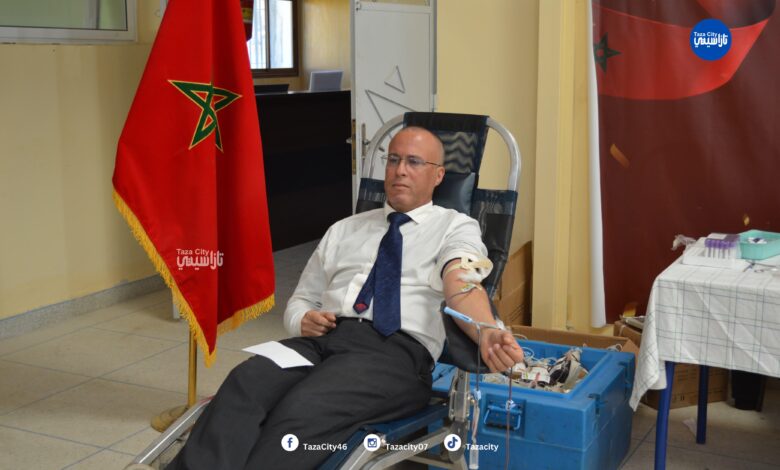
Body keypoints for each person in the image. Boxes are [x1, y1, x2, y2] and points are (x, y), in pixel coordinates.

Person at [166, 126, 523, 470]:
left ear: (439, 175)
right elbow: (301, 300)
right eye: (393, 159)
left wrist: (487, 329)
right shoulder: (344, 229)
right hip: (323, 341)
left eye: (414, 162)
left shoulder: (455, 226)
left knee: (303, 408)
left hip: (393, 353)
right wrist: (303, 319)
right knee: (246, 382)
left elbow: (462, 282)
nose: (400, 170)